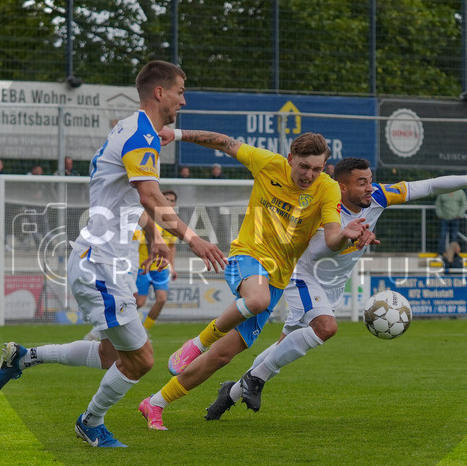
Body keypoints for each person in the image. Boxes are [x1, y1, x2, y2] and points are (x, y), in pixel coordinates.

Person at [0, 60, 227, 448]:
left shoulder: (132, 129)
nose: (184, 100)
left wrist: (153, 235)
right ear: (160, 92)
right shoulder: (141, 135)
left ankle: (25, 358)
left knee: (108, 353)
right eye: (181, 92)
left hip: (107, 262)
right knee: (142, 360)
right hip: (101, 265)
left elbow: (131, 197)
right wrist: (194, 240)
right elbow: (149, 196)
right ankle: (90, 421)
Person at [204, 160, 467, 420]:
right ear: (341, 187)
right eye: (362, 182)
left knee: (283, 348)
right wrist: (349, 237)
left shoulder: (378, 197)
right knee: (325, 328)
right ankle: (253, 378)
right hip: (304, 277)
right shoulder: (323, 205)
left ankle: (232, 392)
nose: (370, 187)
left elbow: (428, 186)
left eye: (370, 180)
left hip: (332, 288)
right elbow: (320, 251)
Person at [138, 129, 375, 431]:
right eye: (304, 166)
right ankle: (197, 343)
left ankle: (156, 403)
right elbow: (224, 142)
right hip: (246, 256)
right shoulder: (267, 163)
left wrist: (345, 236)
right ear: (290, 159)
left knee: (222, 356)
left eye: (316, 169)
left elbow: (331, 239)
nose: (309, 175)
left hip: (278, 278)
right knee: (257, 299)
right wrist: (179, 133)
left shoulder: (327, 189)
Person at [135, 190, 179, 337]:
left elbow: (171, 247)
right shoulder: (147, 217)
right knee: (139, 302)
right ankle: (114, 325)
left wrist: (172, 267)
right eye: (166, 199)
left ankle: (144, 330)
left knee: (162, 299)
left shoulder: (171, 223)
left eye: (172, 200)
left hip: (161, 268)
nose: (169, 203)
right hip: (142, 266)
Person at [435, 189, 467, 255]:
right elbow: (438, 204)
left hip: (455, 218)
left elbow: (464, 204)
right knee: (443, 235)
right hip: (444, 218)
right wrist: (440, 214)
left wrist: (460, 215)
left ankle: (452, 254)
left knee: (454, 237)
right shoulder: (442, 191)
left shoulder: (460, 192)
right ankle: (441, 253)